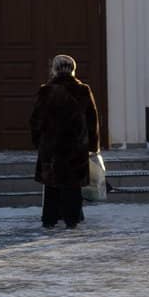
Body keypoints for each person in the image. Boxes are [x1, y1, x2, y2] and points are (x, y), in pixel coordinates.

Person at [29, 53, 100, 229]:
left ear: (54, 69)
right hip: (76, 147)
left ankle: (49, 219)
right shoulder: (83, 90)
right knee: (73, 186)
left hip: (51, 147)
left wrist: (38, 142)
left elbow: (35, 120)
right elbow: (92, 120)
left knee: (52, 186)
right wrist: (93, 146)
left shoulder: (46, 91)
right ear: (73, 69)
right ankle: (72, 219)